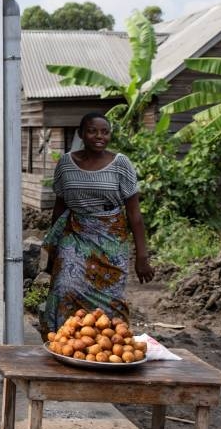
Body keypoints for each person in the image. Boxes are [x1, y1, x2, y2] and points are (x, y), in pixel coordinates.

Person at [39, 112, 155, 339]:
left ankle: (109, 344)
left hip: (111, 240)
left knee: (111, 300)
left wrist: (142, 256)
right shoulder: (65, 164)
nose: (99, 136)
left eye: (105, 132)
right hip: (75, 234)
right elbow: (60, 205)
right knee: (65, 288)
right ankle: (65, 341)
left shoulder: (121, 165)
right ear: (81, 134)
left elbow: (134, 213)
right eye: (92, 131)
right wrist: (53, 249)